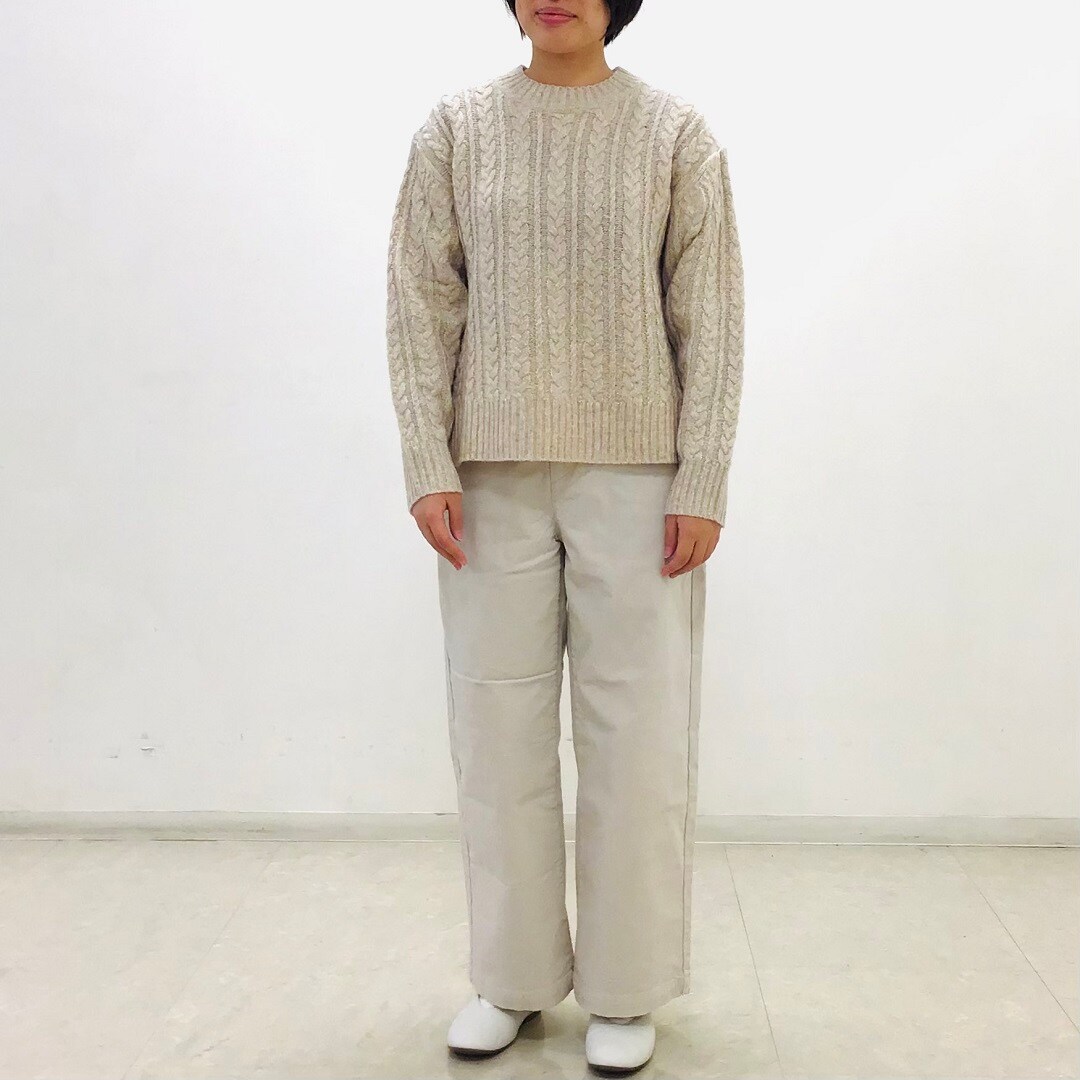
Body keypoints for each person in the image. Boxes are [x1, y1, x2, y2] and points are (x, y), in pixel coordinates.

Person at [385, 0, 744, 1071]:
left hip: (639, 478)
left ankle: (627, 989)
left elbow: (712, 315)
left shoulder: (675, 134)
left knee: (637, 735)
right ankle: (512, 979)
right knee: (495, 730)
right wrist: (427, 459)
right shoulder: (456, 129)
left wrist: (703, 476)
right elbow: (419, 302)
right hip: (487, 479)